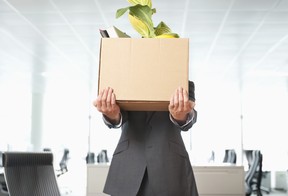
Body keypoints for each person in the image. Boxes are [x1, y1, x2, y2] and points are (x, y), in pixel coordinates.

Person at [93, 81, 198, 196]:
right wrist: (111, 115)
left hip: (170, 167)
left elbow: (190, 117)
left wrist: (182, 116)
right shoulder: (123, 78)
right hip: (129, 165)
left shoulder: (181, 78)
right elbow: (118, 117)